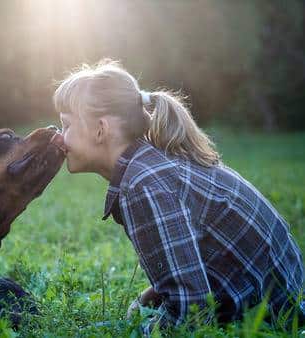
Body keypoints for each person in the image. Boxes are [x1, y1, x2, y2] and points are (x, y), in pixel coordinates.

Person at [53, 60, 304, 333]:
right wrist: (157, 292)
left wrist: (135, 330)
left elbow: (192, 317)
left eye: (65, 125)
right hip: (284, 299)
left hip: (276, 318)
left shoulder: (145, 183)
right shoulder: (150, 166)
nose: (59, 137)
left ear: (100, 129)